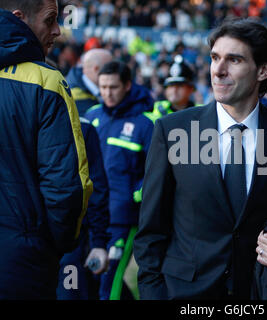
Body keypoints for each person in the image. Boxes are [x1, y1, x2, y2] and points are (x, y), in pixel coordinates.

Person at [134, 17, 267, 300]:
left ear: (263, 70)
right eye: (214, 58)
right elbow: (151, 230)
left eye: (233, 60)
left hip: (262, 292)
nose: (218, 71)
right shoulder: (172, 130)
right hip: (185, 294)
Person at [0, 0, 93, 299]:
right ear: (19, 19)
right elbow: (67, 188)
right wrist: (51, 245)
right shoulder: (46, 80)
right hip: (21, 262)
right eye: (51, 19)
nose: (58, 30)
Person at [84, 60, 154, 300]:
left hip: (123, 218)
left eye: (113, 87)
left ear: (126, 85)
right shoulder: (91, 117)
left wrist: (137, 194)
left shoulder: (145, 124)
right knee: (89, 279)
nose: (107, 93)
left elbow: (156, 172)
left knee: (109, 280)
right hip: (91, 217)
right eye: (102, 87)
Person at [57, 118, 110, 300]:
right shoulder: (16, 121)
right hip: (26, 239)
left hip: (69, 238)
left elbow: (95, 187)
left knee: (69, 291)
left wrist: (99, 242)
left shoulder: (82, 128)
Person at [144, 55, 196, 123]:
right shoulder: (157, 108)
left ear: (191, 88)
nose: (174, 90)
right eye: (171, 86)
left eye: (179, 86)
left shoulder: (202, 111)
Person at [66, 48, 113, 116]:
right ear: (96, 69)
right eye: (110, 68)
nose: (114, 73)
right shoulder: (74, 96)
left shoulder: (99, 88)